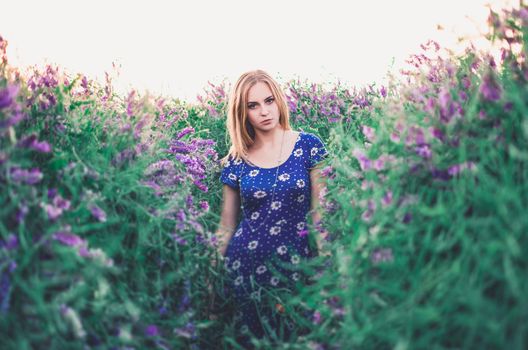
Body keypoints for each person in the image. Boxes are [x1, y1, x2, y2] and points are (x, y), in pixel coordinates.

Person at [213, 69, 330, 347]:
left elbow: (320, 216)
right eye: (253, 105)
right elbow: (226, 225)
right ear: (242, 113)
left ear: (279, 101)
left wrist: (327, 267)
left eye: (268, 101)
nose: (264, 111)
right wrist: (209, 277)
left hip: (296, 267)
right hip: (245, 271)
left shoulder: (308, 145)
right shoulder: (236, 160)